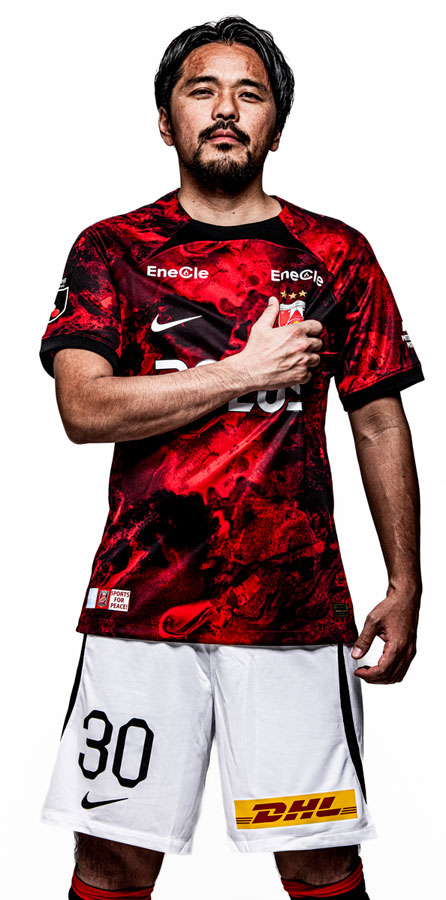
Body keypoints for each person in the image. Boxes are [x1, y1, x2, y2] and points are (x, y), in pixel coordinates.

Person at [38, 15, 424, 900]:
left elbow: (378, 423)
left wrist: (406, 584)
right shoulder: (112, 249)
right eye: (201, 90)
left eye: (249, 95)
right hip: (142, 610)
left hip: (292, 612)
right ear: (165, 120)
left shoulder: (336, 255)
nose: (225, 109)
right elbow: (83, 407)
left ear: (275, 127)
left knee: (318, 857)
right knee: (113, 859)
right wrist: (243, 373)